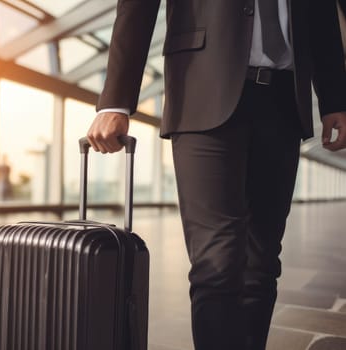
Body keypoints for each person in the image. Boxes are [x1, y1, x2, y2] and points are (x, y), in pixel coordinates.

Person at [86, 1, 346, 349]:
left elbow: (321, 12)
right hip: (203, 86)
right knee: (217, 262)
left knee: (262, 263)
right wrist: (115, 100)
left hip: (284, 99)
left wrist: (333, 98)